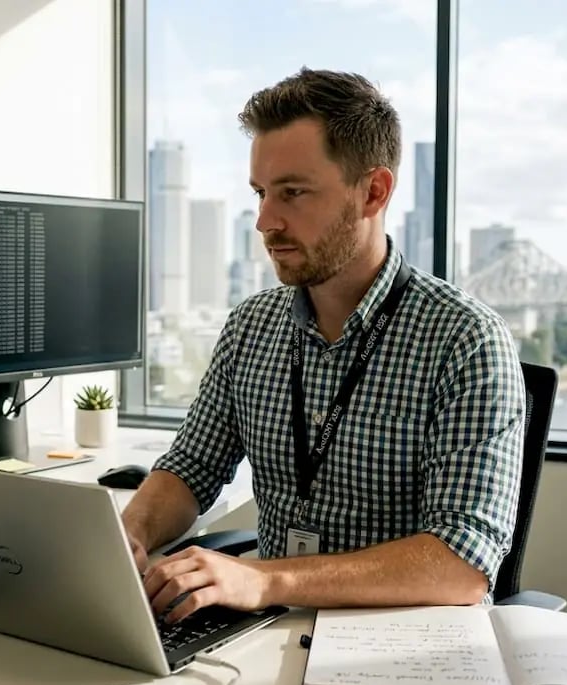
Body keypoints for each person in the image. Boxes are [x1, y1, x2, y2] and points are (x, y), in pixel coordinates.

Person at [121, 68, 526, 624]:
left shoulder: (465, 339)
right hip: (270, 629)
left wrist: (264, 578)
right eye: (262, 194)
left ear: (373, 192)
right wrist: (129, 533)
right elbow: (191, 467)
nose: (266, 221)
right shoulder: (251, 326)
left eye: (293, 192)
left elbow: (461, 563)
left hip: (402, 647)